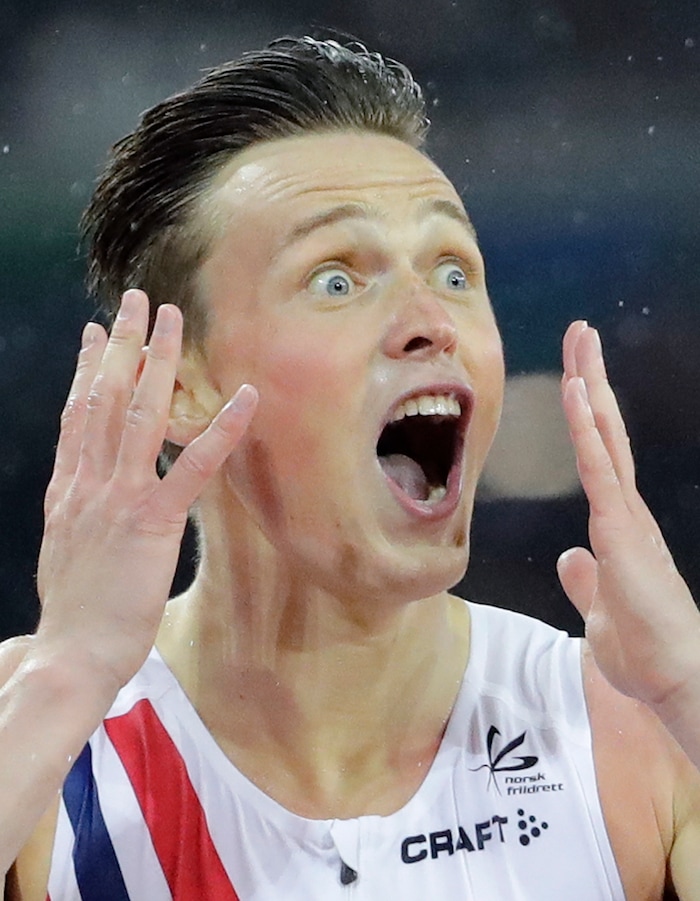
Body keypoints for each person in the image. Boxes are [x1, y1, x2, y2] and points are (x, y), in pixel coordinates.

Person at [4, 35, 700, 899]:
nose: (430, 320)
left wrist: (691, 687)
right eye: (337, 280)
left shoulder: (630, 729)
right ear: (178, 382)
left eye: (453, 270)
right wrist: (65, 675)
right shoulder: (43, 734)